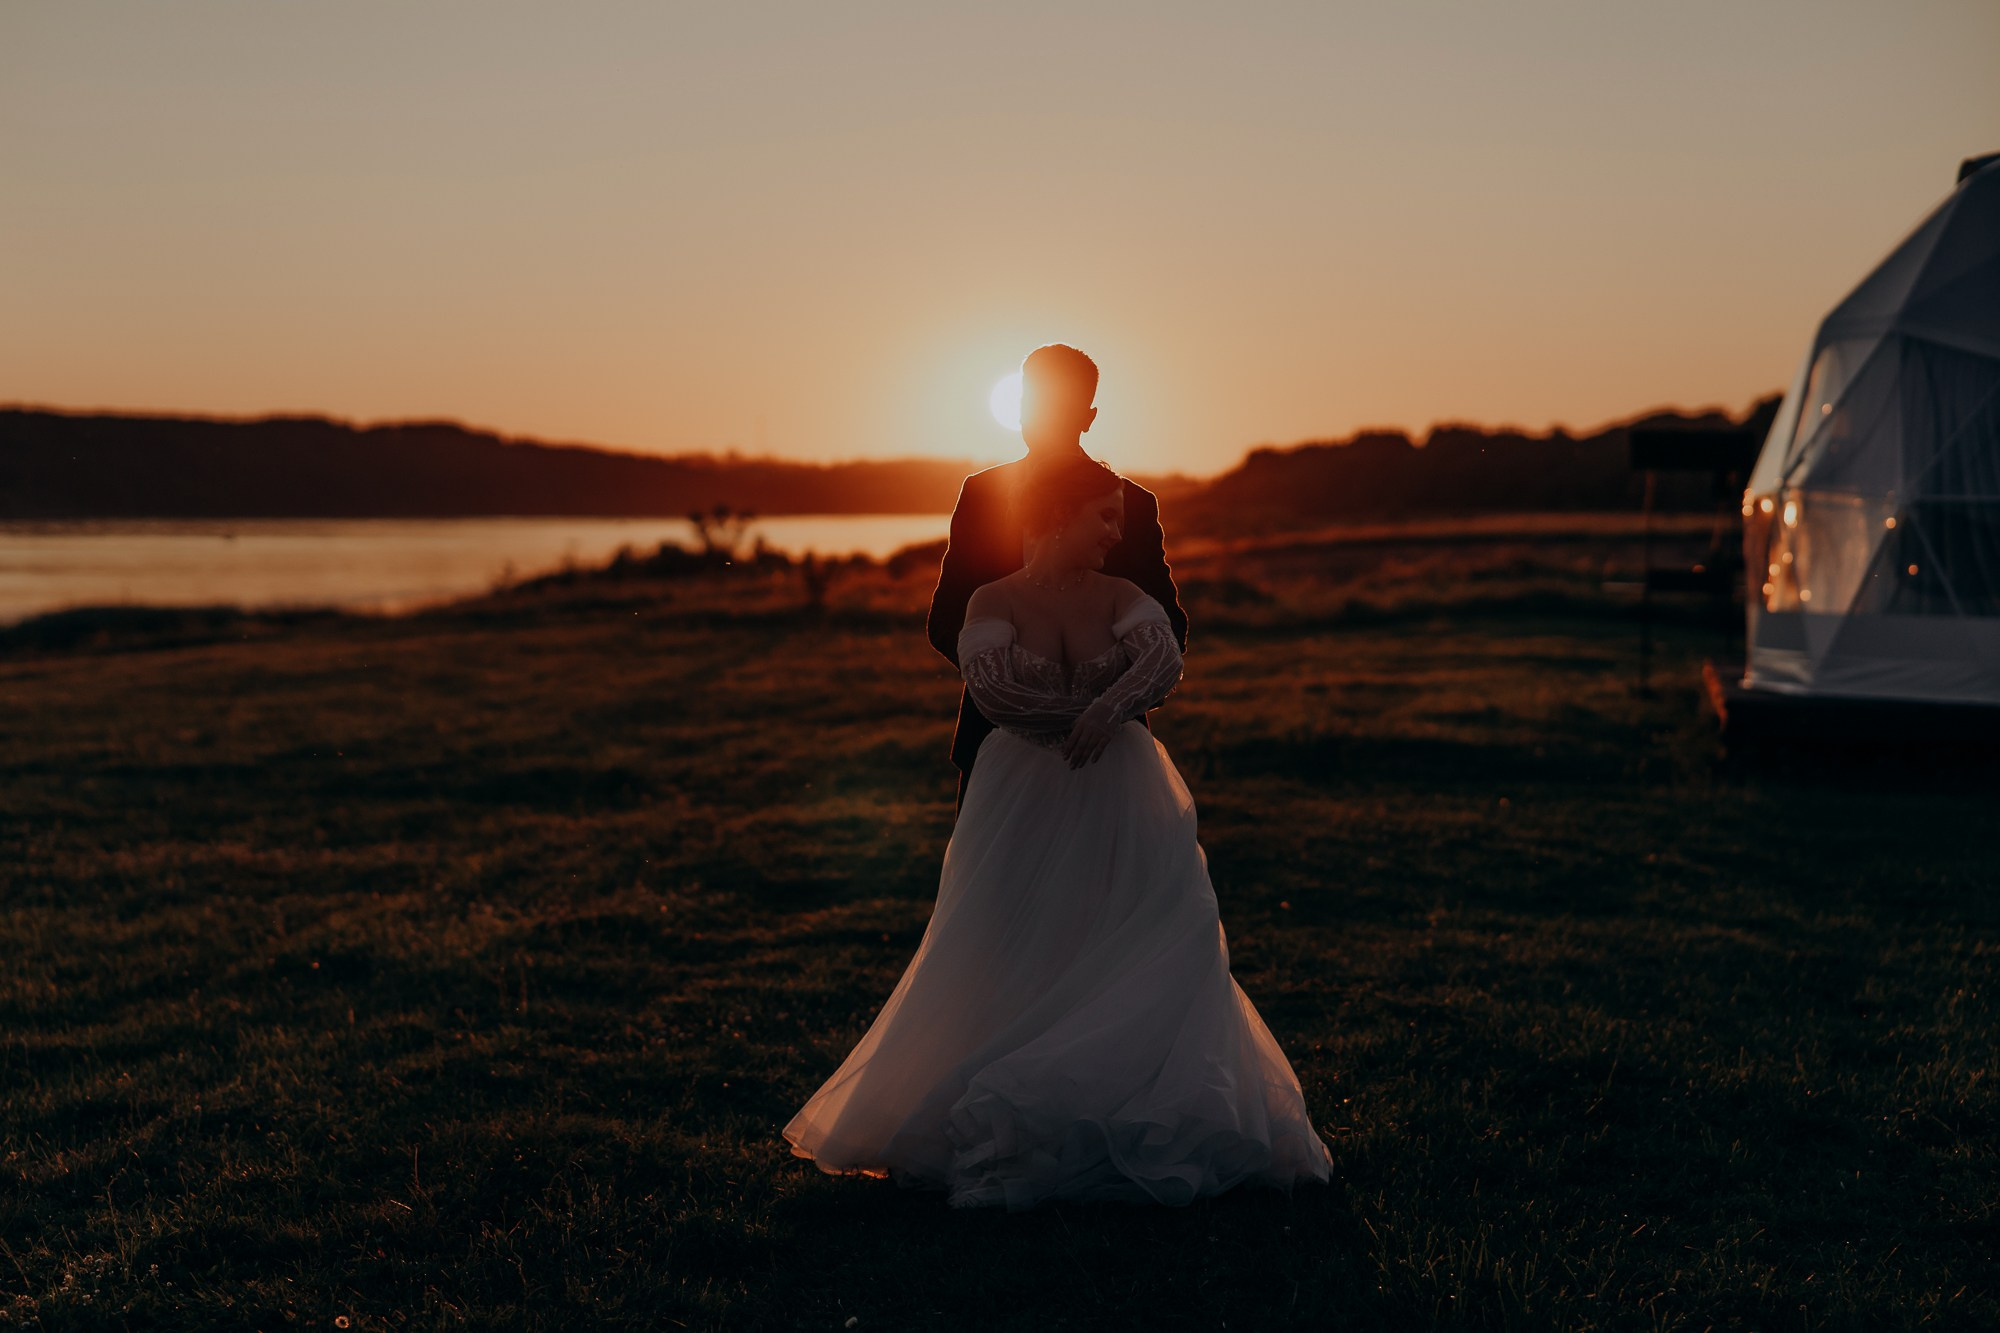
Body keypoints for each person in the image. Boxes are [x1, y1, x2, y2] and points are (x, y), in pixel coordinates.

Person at [783, 450, 1334, 1209]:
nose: (1116, 530)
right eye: (1102, 517)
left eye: (1117, 515)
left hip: (1123, 783)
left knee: (1143, 925)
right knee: (1010, 931)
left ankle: (1125, 1086)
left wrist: (1109, 712)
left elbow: (1161, 661)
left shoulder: (1121, 594)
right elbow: (996, 688)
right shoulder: (991, 599)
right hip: (1019, 790)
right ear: (1052, 517)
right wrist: (1074, 717)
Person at [926, 344, 1187, 808]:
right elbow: (947, 617)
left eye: (1057, 407)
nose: (1038, 416)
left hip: (1108, 748)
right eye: (1030, 402)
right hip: (999, 743)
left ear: (1088, 417)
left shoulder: (1132, 505)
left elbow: (1169, 624)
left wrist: (1106, 703)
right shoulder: (982, 494)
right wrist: (1012, 691)